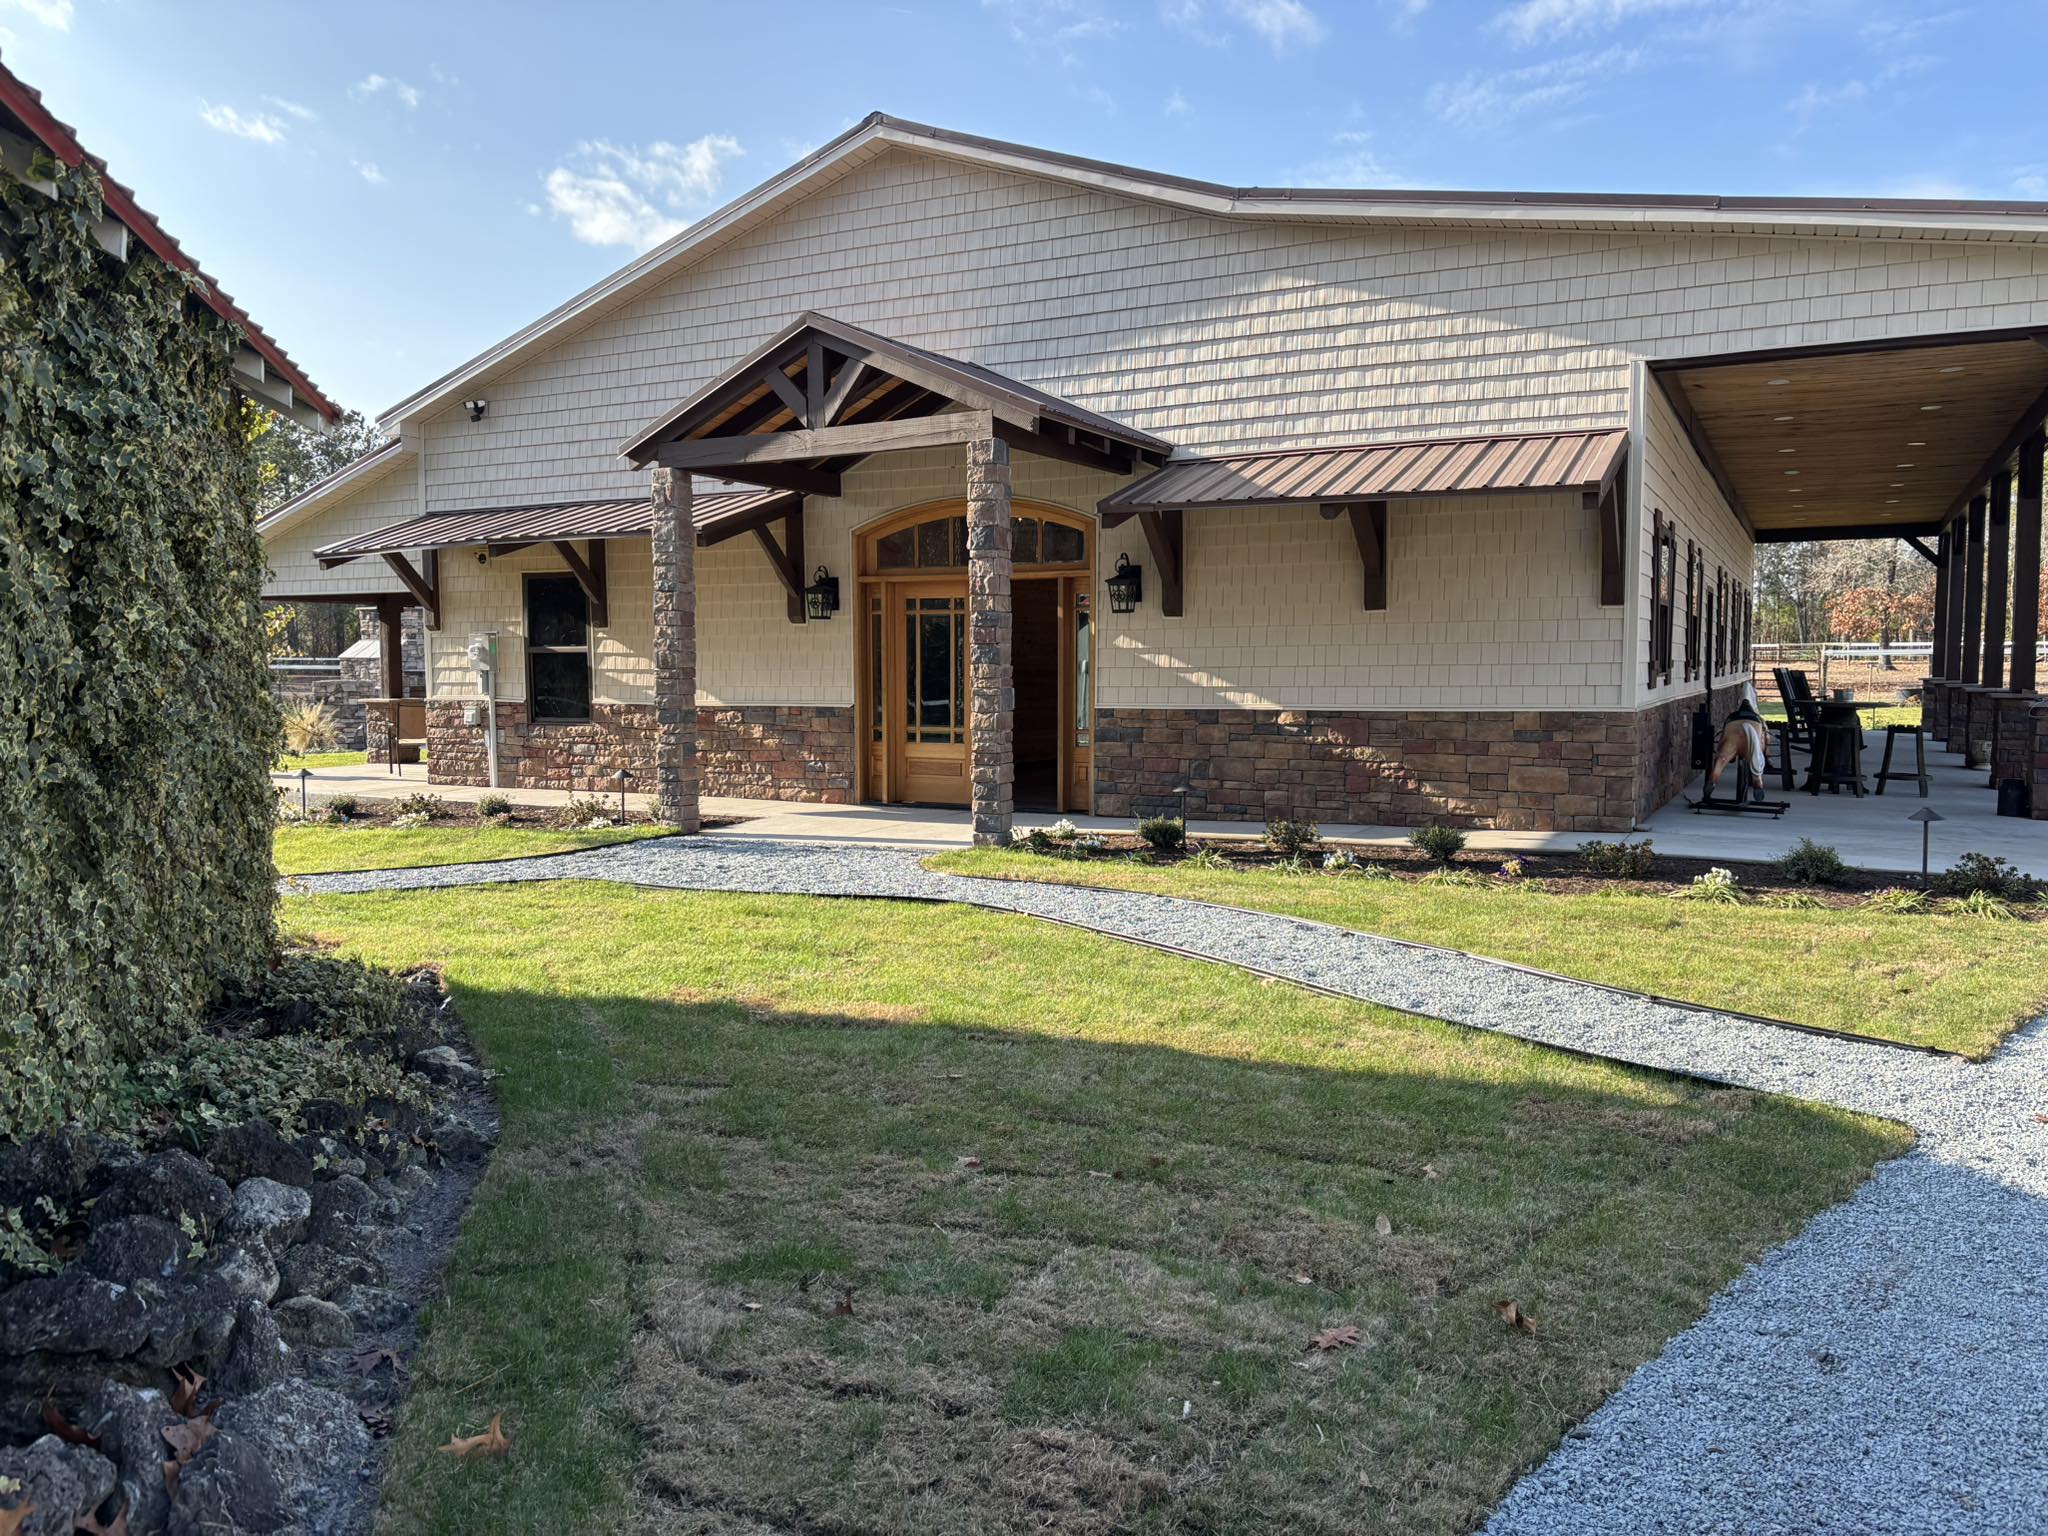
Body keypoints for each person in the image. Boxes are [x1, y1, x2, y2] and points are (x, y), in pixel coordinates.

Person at [1707, 692, 1772, 801]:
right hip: (1755, 725)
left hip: (1733, 725)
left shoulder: (1732, 717)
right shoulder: (1757, 717)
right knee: (1757, 752)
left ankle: (1713, 779)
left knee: (1721, 758)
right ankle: (1758, 782)